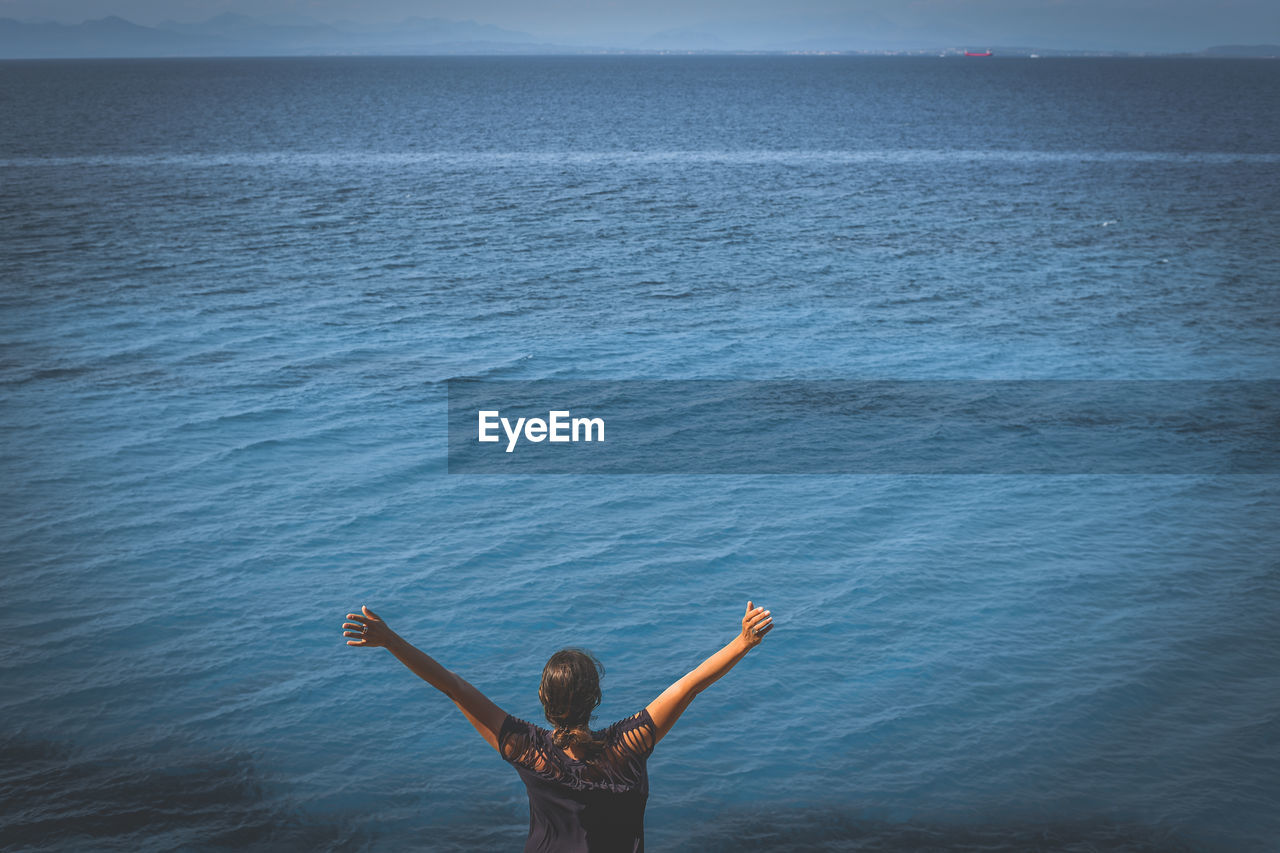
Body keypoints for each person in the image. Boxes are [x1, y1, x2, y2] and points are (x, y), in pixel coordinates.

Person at [342, 600, 775, 852]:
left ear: (543, 702)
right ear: (596, 699)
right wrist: (743, 641)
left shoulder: (526, 750)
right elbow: (689, 687)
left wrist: (390, 640)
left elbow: (453, 687)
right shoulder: (630, 745)